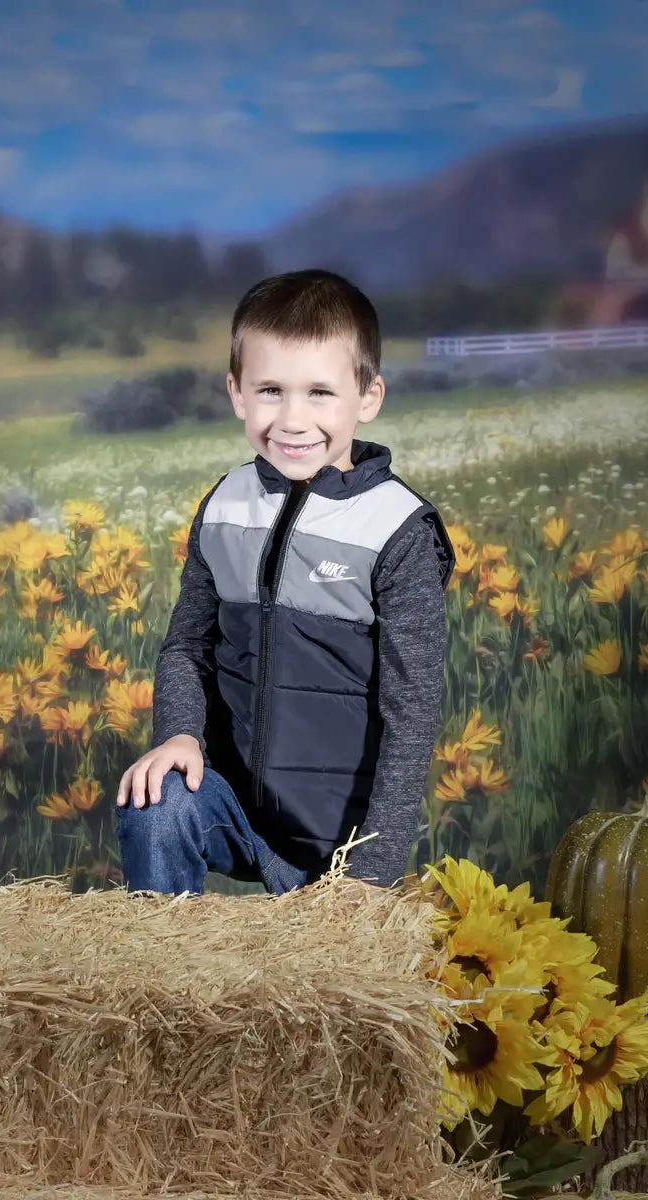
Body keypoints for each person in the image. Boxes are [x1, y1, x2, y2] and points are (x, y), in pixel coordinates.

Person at [114, 269, 455, 896]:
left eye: (320, 393)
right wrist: (179, 734)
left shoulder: (398, 530)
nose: (293, 419)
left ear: (368, 395)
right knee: (154, 797)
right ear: (237, 394)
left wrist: (370, 880)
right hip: (235, 812)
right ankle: (162, 974)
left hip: (341, 837)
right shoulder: (223, 506)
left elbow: (411, 715)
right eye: (270, 390)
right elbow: (187, 648)